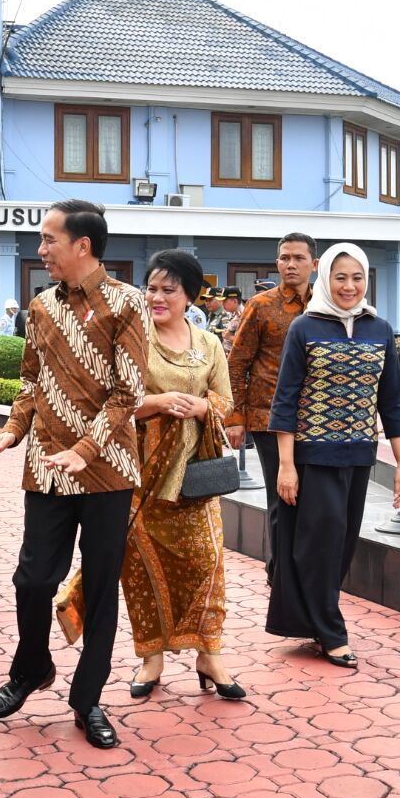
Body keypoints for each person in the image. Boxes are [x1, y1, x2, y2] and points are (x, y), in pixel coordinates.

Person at [0, 199, 148, 750]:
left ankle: (88, 698)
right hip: (47, 466)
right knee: (33, 580)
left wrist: (88, 447)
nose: (40, 249)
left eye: (48, 240)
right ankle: (31, 669)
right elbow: (31, 381)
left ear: (82, 246)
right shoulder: (41, 307)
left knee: (99, 586)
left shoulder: (127, 304)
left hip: (108, 471)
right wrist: (11, 430)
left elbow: (129, 389)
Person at [267, 243, 400, 670]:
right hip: (313, 457)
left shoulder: (379, 329)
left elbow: (392, 403)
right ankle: (332, 632)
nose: (349, 286)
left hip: (360, 456)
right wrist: (287, 465)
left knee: (341, 545)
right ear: (325, 278)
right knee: (320, 544)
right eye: (340, 277)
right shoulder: (305, 327)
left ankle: (314, 620)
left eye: (357, 277)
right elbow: (285, 400)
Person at [121, 250, 245, 701]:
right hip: (142, 477)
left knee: (207, 563)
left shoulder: (208, 343)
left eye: (167, 290)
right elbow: (117, 400)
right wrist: (156, 403)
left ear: (189, 295)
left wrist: (200, 406)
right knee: (141, 571)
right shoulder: (133, 337)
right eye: (151, 288)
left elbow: (225, 400)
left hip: (193, 478)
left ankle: (209, 653)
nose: (156, 297)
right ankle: (151, 659)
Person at [225, 233, 319, 569]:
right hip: (269, 419)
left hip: (317, 420)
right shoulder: (261, 305)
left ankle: (300, 571)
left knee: (313, 500)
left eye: (298, 258)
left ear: (314, 264)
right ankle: (279, 573)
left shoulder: (325, 306)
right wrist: (235, 418)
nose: (290, 264)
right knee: (281, 497)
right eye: (284, 258)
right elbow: (237, 363)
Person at [210, 287, 242, 352]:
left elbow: (249, 341)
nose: (222, 304)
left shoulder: (244, 315)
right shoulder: (232, 314)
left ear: (235, 301)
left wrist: (230, 338)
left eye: (224, 301)